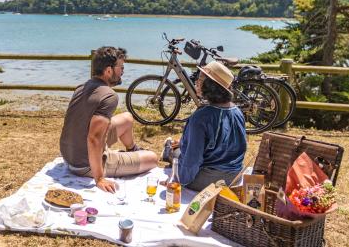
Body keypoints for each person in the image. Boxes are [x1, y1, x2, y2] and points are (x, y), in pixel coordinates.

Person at [59, 46, 158, 193]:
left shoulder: (82, 87)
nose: (123, 71)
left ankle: (132, 150)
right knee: (153, 158)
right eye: (121, 67)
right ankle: (129, 157)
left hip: (70, 156)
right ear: (108, 70)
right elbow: (94, 138)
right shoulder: (109, 96)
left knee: (127, 118)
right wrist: (99, 178)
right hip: (85, 165)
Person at [162, 61, 247, 191]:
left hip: (210, 181)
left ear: (211, 86)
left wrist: (177, 179)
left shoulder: (201, 117)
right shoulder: (237, 112)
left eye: (200, 78)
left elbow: (192, 160)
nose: (196, 81)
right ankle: (172, 148)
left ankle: (168, 149)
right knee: (179, 149)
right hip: (235, 178)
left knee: (176, 153)